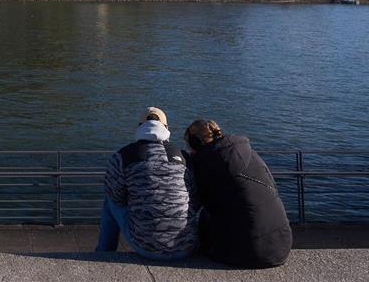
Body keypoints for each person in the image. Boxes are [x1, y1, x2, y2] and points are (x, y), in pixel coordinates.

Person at [184, 119, 292, 268]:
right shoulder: (249, 152)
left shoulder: (205, 163)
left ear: (195, 142)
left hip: (245, 252)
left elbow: (196, 203)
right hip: (282, 245)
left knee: (204, 218)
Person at [96, 107, 199, 260]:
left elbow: (117, 198)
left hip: (145, 246)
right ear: (167, 128)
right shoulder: (183, 157)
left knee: (109, 201)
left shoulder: (123, 156)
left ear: (140, 127)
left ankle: (104, 254)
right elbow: (195, 198)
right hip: (186, 246)